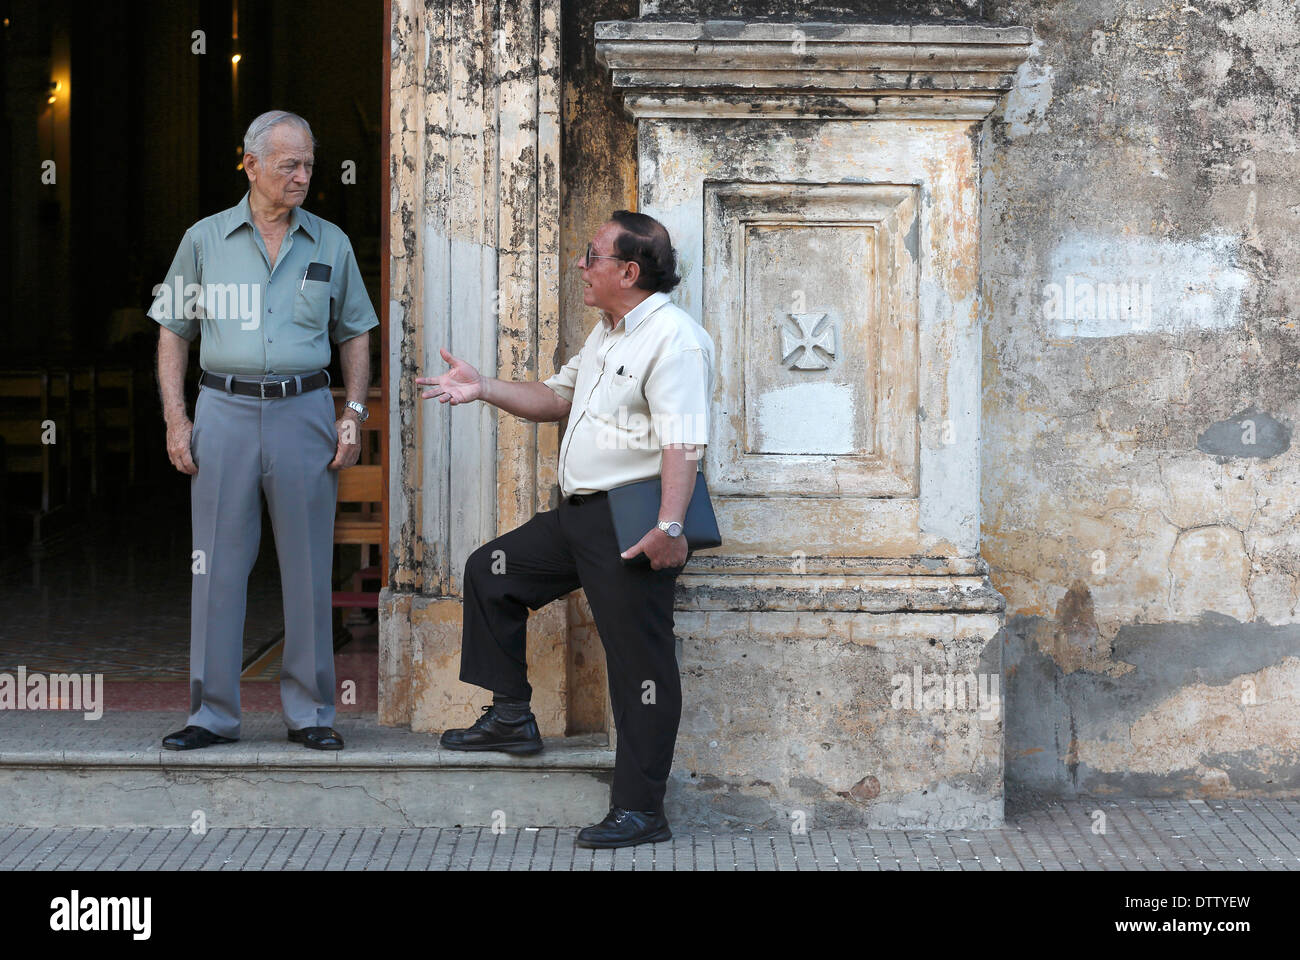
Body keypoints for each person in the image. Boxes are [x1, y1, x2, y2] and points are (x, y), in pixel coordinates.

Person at [415, 210, 714, 848]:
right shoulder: (606, 333)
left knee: (641, 666)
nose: (582, 264)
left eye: (593, 255)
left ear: (629, 272)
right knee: (491, 573)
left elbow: (683, 442)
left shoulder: (674, 339)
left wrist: (669, 525)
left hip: (631, 521)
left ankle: (641, 811)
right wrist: (482, 387)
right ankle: (512, 716)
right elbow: (557, 399)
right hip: (577, 516)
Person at [150, 110, 378, 752]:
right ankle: (212, 715)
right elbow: (173, 332)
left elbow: (355, 330)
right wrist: (176, 419)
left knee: (308, 565)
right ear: (249, 164)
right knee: (216, 566)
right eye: (289, 165)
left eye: (308, 163)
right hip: (222, 410)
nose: (303, 176)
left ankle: (311, 714)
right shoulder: (204, 240)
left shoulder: (330, 242)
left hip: (304, 411)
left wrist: (352, 413)